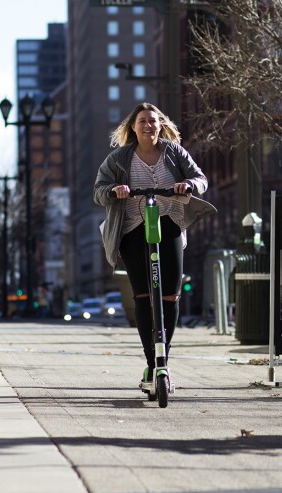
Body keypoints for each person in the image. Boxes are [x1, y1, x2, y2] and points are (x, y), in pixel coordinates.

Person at [93, 102, 214, 390]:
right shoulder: (119, 158)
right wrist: (114, 190)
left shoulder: (174, 152)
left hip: (170, 223)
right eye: (142, 121)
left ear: (161, 125)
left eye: (153, 121)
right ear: (133, 127)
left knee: (170, 296)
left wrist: (188, 185)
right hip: (133, 230)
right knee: (145, 297)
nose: (148, 125)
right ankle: (152, 363)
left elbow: (201, 179)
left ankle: (163, 363)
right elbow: (98, 191)